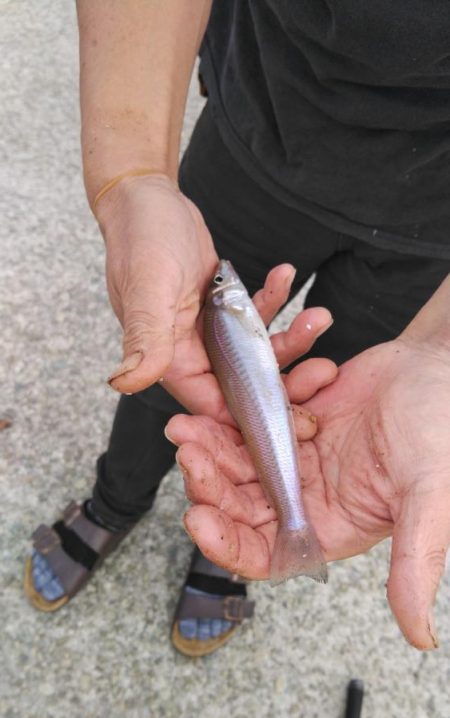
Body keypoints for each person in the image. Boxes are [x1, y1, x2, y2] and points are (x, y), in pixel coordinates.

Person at [24, 1, 450, 655]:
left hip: (432, 230)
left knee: (336, 402)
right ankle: (116, 498)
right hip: (258, 132)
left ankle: (246, 537)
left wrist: (442, 349)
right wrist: (132, 177)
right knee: (169, 363)